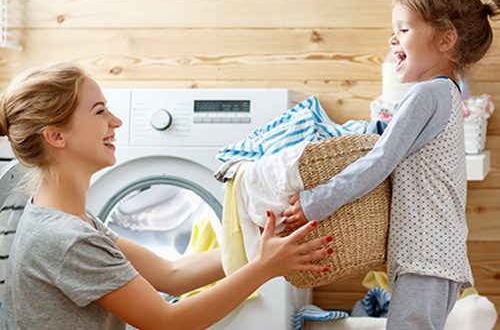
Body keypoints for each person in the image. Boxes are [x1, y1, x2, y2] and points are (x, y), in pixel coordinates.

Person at [0, 63, 333, 330]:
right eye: (99, 111)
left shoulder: (67, 219)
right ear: (56, 136)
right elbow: (167, 322)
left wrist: (259, 243)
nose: (115, 121)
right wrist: (263, 268)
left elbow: (171, 274)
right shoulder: (67, 239)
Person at [282, 0, 500, 329]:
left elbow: (380, 161)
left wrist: (315, 201)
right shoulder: (447, 94)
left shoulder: (427, 94)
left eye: (403, 28)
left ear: (446, 40)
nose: (392, 39)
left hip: (425, 256)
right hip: (435, 254)